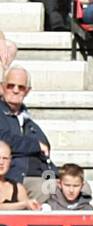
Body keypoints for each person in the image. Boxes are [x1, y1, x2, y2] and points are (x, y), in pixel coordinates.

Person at [0, 69, 53, 200]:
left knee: (78, 186)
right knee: (47, 192)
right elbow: (4, 140)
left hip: (41, 174)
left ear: (28, 91)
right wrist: (34, 145)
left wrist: (54, 177)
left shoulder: (27, 119)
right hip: (14, 176)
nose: (16, 90)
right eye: (10, 85)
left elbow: (46, 150)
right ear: (2, 87)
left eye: (21, 87)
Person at [0, 140, 40, 211]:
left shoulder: (18, 188)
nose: (1, 162)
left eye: (5, 158)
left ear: (10, 161)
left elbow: (27, 213)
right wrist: (23, 204)